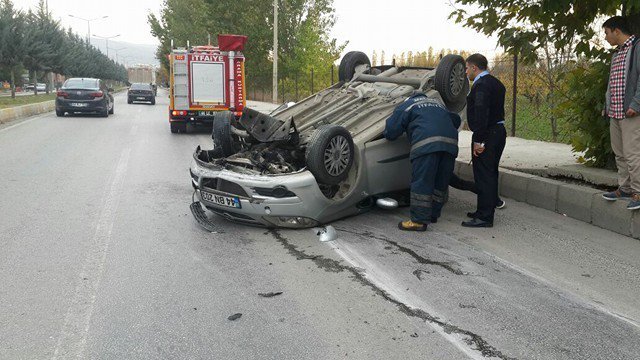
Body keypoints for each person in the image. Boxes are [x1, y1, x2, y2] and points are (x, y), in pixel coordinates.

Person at [384, 92, 461, 231]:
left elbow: (391, 131)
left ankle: (419, 220)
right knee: (440, 181)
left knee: (422, 182)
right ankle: (433, 214)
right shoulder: (438, 104)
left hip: (426, 145)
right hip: (450, 144)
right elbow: (456, 120)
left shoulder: (407, 106)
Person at [461, 54, 506, 228]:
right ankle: (484, 209)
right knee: (490, 172)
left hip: (486, 134)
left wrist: (479, 141)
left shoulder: (481, 86)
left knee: (484, 175)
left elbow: (481, 114)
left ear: (474, 68)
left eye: (466, 68)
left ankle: (485, 217)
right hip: (498, 132)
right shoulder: (496, 83)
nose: (466, 72)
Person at [601, 16, 640, 210]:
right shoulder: (616, 54)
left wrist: (636, 103)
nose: (606, 37)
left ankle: (638, 191)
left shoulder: (637, 48)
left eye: (607, 33)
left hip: (631, 112)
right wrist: (607, 105)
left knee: (633, 153)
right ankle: (624, 188)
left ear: (617, 31)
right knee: (620, 154)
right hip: (615, 112)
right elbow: (612, 83)